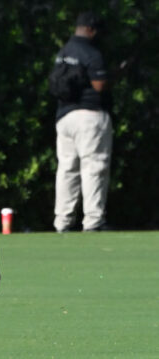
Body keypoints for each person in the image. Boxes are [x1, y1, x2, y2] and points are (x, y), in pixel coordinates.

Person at [53, 12, 113, 233]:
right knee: (93, 166)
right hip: (90, 116)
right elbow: (98, 86)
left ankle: (62, 222)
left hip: (65, 117)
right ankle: (93, 221)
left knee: (67, 168)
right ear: (90, 29)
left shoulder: (64, 52)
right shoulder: (91, 52)